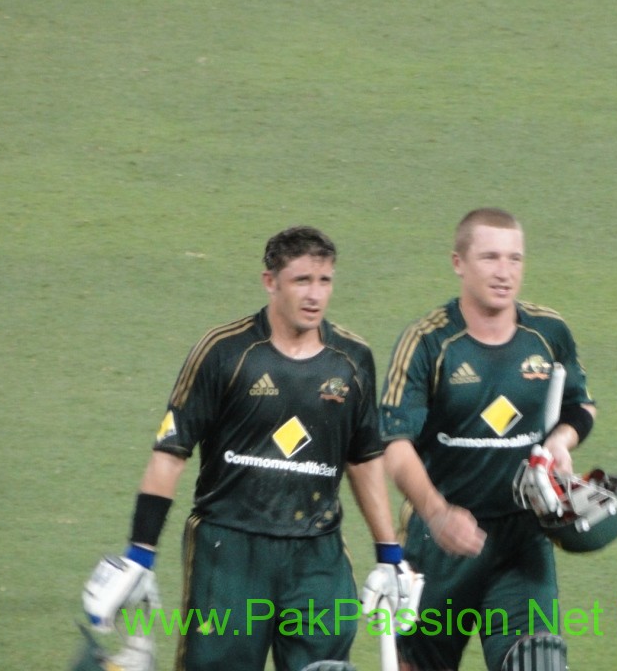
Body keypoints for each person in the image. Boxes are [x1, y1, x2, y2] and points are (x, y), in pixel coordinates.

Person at [85, 225, 415, 671]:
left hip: (317, 556)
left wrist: (389, 554)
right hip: (229, 552)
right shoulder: (225, 351)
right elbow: (170, 453)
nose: (315, 295)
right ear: (270, 282)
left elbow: (364, 458)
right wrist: (140, 554)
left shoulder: (352, 359)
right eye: (301, 281)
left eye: (325, 281)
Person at [379, 208, 598, 671]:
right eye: (491, 257)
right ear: (459, 263)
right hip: (439, 544)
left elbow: (581, 406)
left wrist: (561, 441)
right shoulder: (428, 343)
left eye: (515, 259)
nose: (505, 272)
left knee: (537, 662)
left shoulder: (548, 333)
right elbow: (394, 447)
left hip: (523, 538)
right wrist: (437, 514)